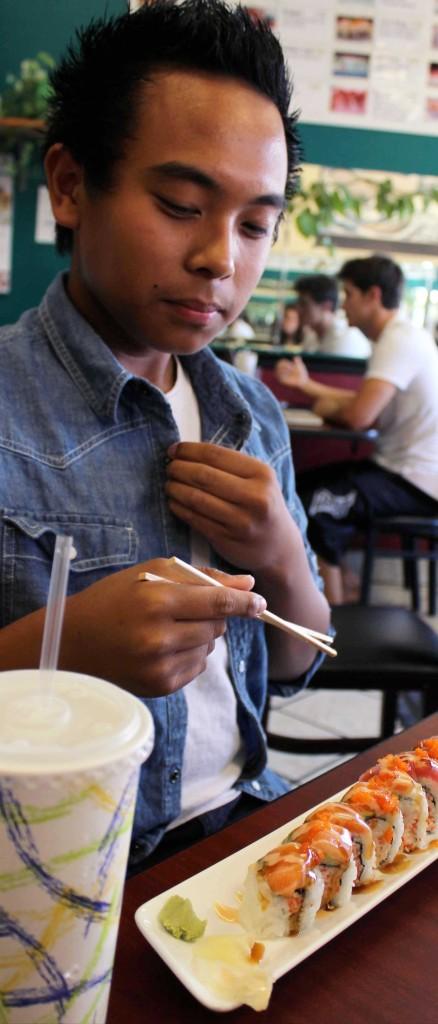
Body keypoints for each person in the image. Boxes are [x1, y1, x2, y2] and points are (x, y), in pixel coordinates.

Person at [0, 0, 330, 869]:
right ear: (71, 185)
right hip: (55, 863)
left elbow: (297, 665)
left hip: (241, 834)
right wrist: (50, 652)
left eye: (255, 224)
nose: (222, 258)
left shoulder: (251, 415)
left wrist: (283, 553)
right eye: (183, 204)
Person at [277, 255, 438, 604]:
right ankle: (343, 586)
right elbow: (363, 401)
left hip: (417, 481)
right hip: (396, 469)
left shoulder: (399, 339)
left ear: (373, 296)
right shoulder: (397, 337)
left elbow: (359, 416)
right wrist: (309, 389)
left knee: (320, 506)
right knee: (300, 485)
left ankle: (332, 626)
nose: (343, 305)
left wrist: (329, 405)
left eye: (348, 294)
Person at [282, 272, 371, 357]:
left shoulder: (345, 340)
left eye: (304, 304)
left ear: (326, 306)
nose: (298, 310)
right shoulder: (311, 337)